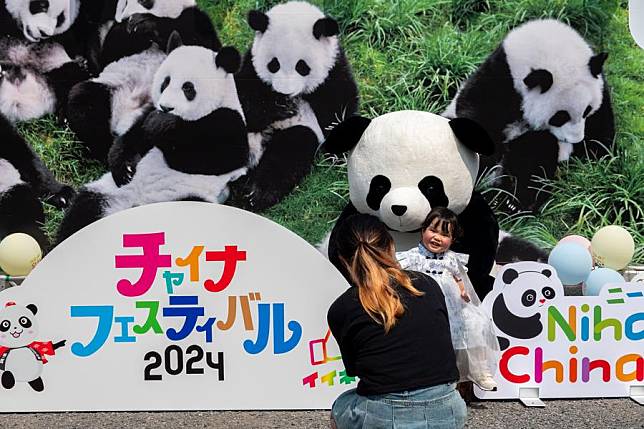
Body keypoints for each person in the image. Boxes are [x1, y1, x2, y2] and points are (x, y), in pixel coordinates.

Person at [327, 214, 467, 429]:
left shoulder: (342, 307)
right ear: (391, 246)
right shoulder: (427, 284)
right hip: (449, 410)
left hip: (386, 415)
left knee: (341, 405)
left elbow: (357, 370)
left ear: (343, 259)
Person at [396, 207, 499, 391]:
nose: (437, 237)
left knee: (475, 322)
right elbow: (399, 277)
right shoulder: (412, 257)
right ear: (423, 230)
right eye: (433, 230)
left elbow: (459, 279)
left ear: (452, 240)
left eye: (444, 234)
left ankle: (479, 370)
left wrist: (463, 292)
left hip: (450, 305)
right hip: (421, 304)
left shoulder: (451, 259)